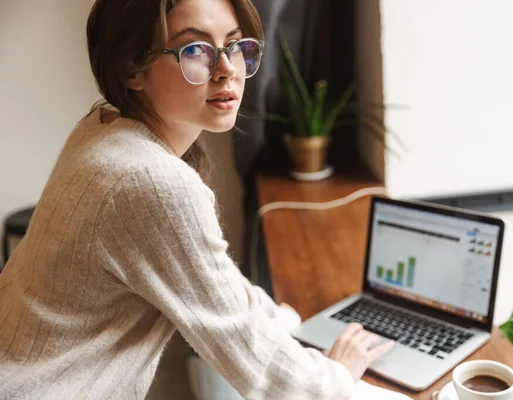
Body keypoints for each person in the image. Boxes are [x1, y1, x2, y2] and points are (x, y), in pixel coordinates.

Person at [0, 0, 394, 398]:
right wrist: (339, 377)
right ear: (132, 68)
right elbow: (252, 362)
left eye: (235, 46)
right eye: (195, 50)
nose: (227, 70)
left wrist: (286, 321)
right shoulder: (150, 181)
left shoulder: (102, 129)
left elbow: (216, 284)